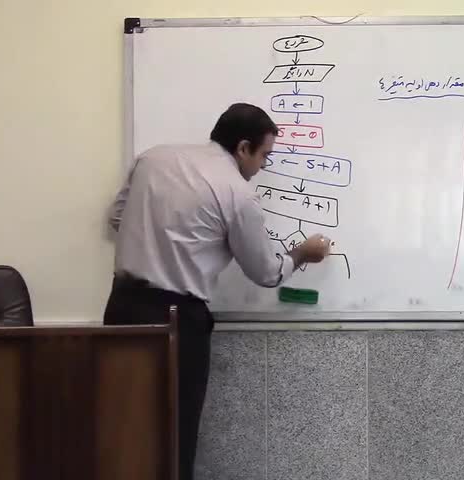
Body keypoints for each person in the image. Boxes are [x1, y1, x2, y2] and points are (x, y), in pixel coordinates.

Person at [102, 102, 332, 479]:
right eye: (264, 155)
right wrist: (303, 253)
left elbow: (116, 218)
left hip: (121, 308)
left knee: (121, 428)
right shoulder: (236, 193)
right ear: (243, 148)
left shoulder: (153, 158)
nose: (262, 166)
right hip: (177, 322)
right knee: (175, 434)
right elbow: (267, 272)